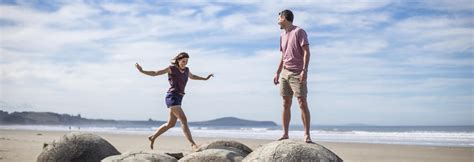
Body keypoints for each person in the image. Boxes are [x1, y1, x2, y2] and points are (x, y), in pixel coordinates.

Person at [135, 52, 213, 150]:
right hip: (172, 97)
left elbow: (193, 77)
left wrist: (205, 79)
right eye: (183, 61)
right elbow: (155, 73)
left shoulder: (186, 70)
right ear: (178, 60)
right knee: (183, 120)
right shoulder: (171, 69)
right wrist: (142, 71)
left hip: (179, 98)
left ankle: (152, 137)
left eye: (186, 61)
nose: (185, 63)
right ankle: (193, 144)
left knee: (170, 124)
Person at [273, 9, 312, 143]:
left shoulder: (299, 32)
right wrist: (277, 72)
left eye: (279, 17)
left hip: (297, 72)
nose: (277, 20)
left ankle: (306, 134)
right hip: (285, 72)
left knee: (302, 102)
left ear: (284, 17)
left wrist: (304, 70)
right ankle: (285, 134)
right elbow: (283, 56)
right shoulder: (282, 36)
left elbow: (307, 52)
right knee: (285, 103)